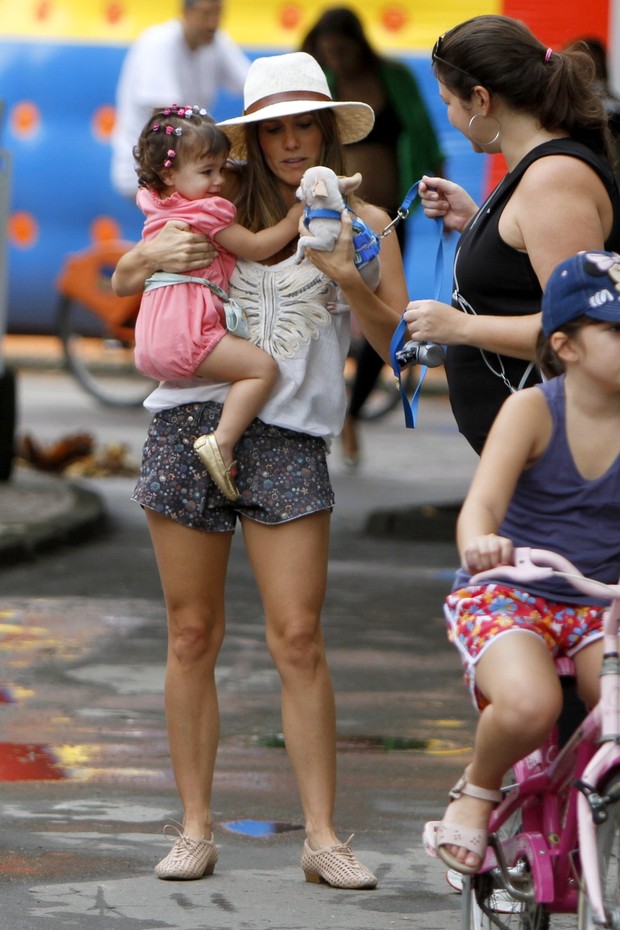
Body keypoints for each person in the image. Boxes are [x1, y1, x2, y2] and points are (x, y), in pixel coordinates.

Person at [111, 51, 407, 886]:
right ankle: (196, 827)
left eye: (301, 123)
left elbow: (396, 348)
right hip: (187, 422)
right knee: (191, 633)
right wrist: (137, 264)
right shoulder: (207, 204)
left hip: (289, 437)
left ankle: (321, 837)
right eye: (270, 127)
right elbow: (126, 273)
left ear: (323, 127)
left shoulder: (361, 217)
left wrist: (350, 275)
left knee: (300, 637)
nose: (287, 141)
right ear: (249, 139)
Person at [429, 248, 620, 876]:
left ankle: (591, 814)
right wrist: (481, 543)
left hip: (602, 601)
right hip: (511, 591)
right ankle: (479, 789)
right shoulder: (533, 410)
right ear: (564, 346)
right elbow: (479, 506)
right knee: (529, 704)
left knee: (615, 704)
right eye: (616, 330)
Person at [403, 14, 620, 455]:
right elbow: (524, 264)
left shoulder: (553, 179)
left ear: (481, 99)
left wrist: (460, 327)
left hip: (562, 462)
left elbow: (580, 329)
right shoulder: (537, 171)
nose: (448, 113)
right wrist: (480, 222)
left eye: (449, 101)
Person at [132, 103, 303, 500]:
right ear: (169, 173)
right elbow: (258, 247)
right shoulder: (205, 212)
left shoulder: (156, 204)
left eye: (222, 169)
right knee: (261, 369)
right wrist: (294, 218)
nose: (218, 181)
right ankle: (222, 442)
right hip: (186, 332)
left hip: (153, 336)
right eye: (207, 172)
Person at [301, 6, 445, 466]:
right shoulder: (323, 81)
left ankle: (352, 413)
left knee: (386, 318)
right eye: (327, 52)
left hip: (389, 221)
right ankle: (324, 412)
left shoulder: (394, 78)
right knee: (332, 312)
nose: (337, 59)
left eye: (342, 49)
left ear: (360, 43)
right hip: (334, 218)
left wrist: (433, 183)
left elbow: (422, 132)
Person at [111, 0, 250, 198]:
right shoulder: (158, 43)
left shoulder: (216, 41)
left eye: (218, 14)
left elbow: (251, 84)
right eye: (206, 14)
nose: (213, 22)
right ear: (186, 13)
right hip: (150, 169)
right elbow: (168, 122)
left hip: (192, 161)